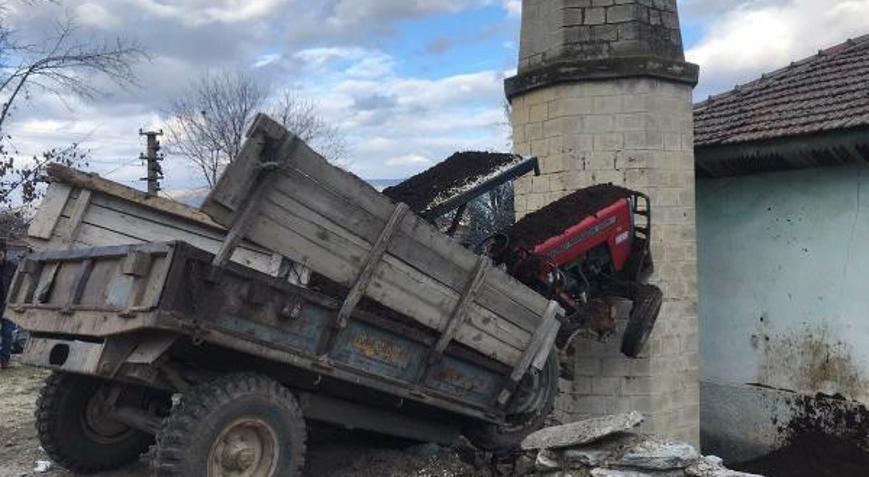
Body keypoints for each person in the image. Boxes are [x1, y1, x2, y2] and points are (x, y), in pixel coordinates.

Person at [0, 239, 19, 370]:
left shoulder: (12, 267)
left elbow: (17, 284)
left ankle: (4, 360)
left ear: (4, 253)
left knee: (8, 333)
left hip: (7, 304)